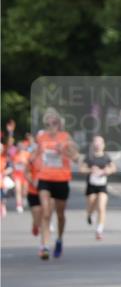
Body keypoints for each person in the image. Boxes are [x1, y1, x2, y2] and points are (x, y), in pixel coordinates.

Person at [35, 108, 79, 260]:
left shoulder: (65, 137)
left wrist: (64, 151)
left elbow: (76, 157)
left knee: (60, 215)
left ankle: (59, 239)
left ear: (59, 124)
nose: (52, 125)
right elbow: (35, 156)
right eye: (49, 122)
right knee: (46, 212)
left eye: (55, 122)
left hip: (61, 179)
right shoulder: (41, 138)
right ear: (46, 123)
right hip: (45, 178)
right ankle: (44, 246)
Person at [82, 135, 116, 240]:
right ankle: (90, 214)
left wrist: (107, 171)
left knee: (101, 207)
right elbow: (82, 169)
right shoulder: (89, 157)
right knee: (91, 204)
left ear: (103, 145)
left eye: (99, 143)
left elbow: (113, 168)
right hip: (91, 185)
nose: (97, 145)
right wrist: (91, 170)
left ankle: (99, 230)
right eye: (95, 143)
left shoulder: (106, 157)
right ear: (93, 145)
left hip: (102, 185)